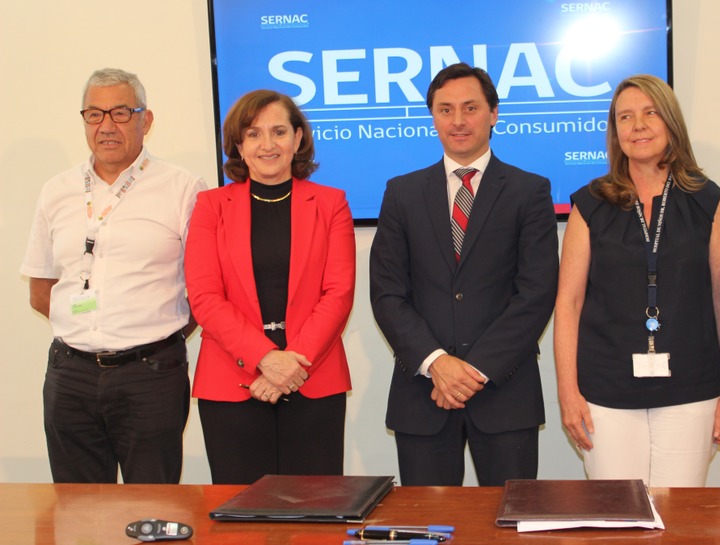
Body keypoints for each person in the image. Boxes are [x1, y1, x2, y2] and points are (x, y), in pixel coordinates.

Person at [370, 63, 559, 486]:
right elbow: (387, 294)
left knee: (509, 526)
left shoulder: (530, 191)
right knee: (426, 528)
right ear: (433, 117)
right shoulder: (402, 193)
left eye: (470, 108)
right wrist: (437, 363)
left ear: (493, 113)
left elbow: (536, 294)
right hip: (423, 394)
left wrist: (469, 373)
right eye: (445, 109)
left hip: (504, 393)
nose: (458, 121)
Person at [554, 75, 720, 486]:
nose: (637, 125)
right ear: (615, 131)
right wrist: (568, 394)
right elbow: (567, 304)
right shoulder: (590, 204)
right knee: (618, 519)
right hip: (604, 394)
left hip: (692, 391)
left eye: (649, 113)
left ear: (671, 122)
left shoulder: (710, 202)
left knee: (678, 522)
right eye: (626, 116)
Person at [20, 68, 206, 483]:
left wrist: (150, 335)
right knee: (77, 515)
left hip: (150, 376)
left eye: (121, 113)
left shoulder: (183, 188)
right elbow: (40, 289)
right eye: (94, 114)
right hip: (70, 376)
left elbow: (203, 290)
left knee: (151, 508)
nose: (106, 126)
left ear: (146, 120)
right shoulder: (57, 190)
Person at [184, 90, 355, 484]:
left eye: (278, 132)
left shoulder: (331, 204)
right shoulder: (211, 206)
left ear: (297, 140)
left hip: (312, 379)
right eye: (253, 134)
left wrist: (290, 364)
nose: (267, 144)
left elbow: (339, 294)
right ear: (238, 145)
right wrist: (266, 358)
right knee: (241, 520)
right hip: (231, 381)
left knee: (316, 514)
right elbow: (205, 298)